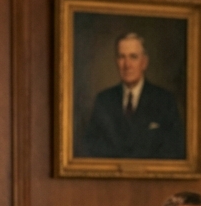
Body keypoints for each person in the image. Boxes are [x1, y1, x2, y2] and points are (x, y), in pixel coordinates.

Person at [78, 32, 185, 160]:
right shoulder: (104, 100)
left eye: (133, 57)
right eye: (122, 57)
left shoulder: (165, 101)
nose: (127, 65)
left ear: (144, 62)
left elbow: (174, 150)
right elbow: (91, 147)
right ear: (116, 61)